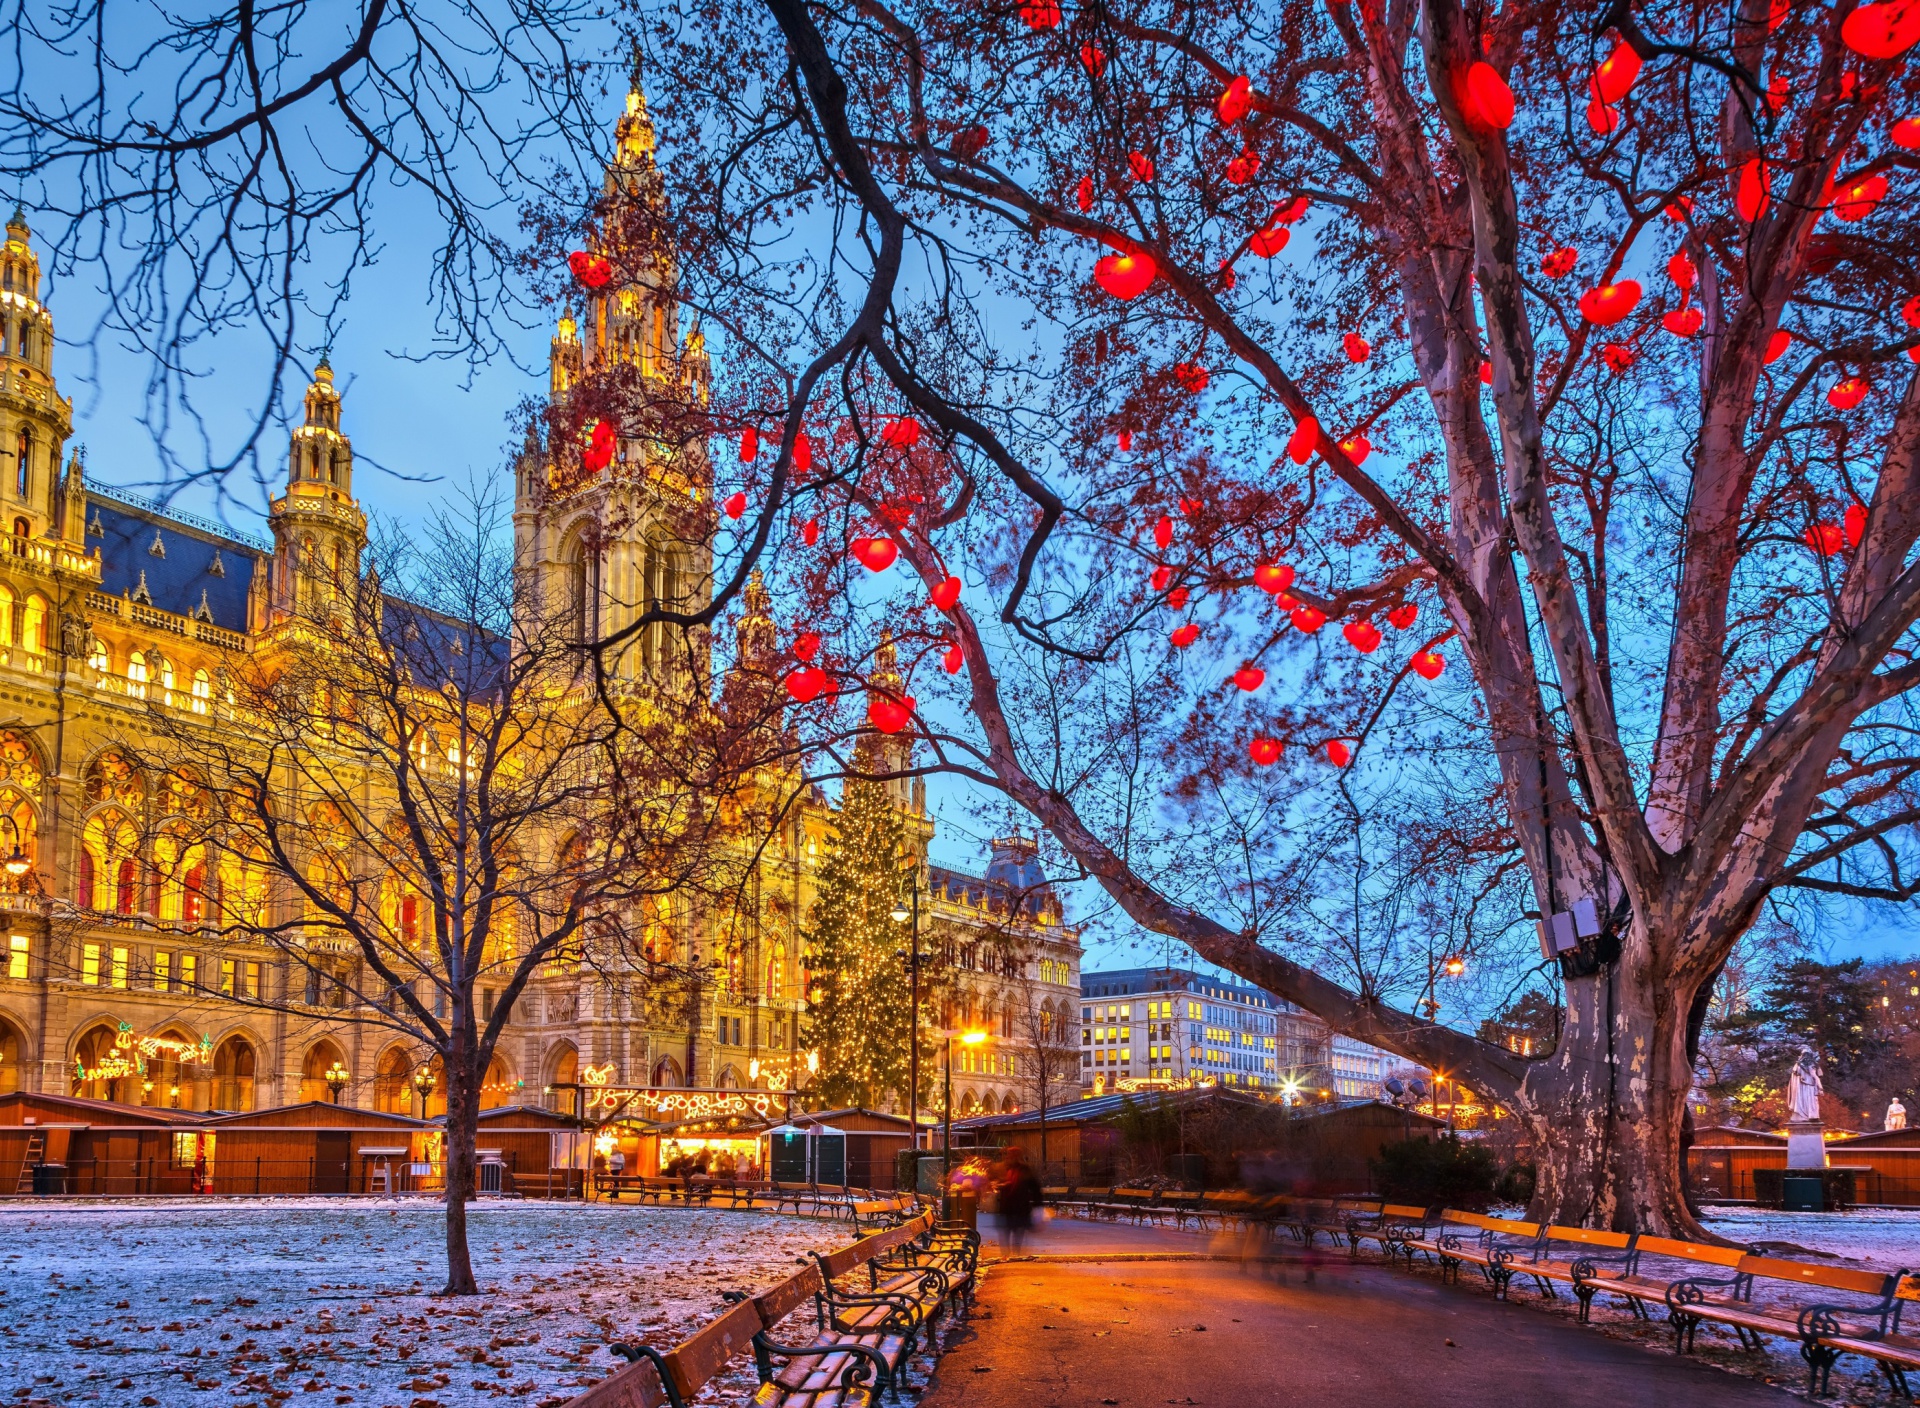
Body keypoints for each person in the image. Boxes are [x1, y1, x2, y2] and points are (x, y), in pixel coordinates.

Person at [996, 1145, 1042, 1255]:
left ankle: (1015, 1253)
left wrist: (1038, 1206)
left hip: (1019, 1206)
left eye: (1011, 1156)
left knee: (1017, 1231)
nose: (1008, 1158)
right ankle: (1007, 1254)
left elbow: (1035, 1188)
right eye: (1008, 1155)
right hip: (1007, 1206)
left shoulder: (1025, 1170)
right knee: (1007, 1231)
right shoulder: (1004, 1169)